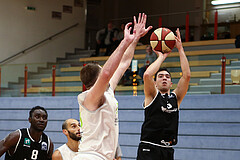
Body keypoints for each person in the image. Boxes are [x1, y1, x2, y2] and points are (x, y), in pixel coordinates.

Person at [73, 13, 152, 160]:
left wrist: (135, 38)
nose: (105, 70)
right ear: (98, 78)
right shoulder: (90, 97)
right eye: (101, 69)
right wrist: (123, 42)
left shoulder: (107, 90)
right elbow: (107, 72)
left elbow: (123, 63)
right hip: (89, 156)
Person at [137, 28, 191, 160]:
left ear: (171, 83)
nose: (164, 78)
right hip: (149, 148)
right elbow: (147, 75)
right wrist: (161, 57)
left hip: (167, 151)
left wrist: (180, 49)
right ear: (155, 83)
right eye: (160, 76)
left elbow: (187, 76)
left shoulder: (175, 98)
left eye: (167, 76)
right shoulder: (151, 96)